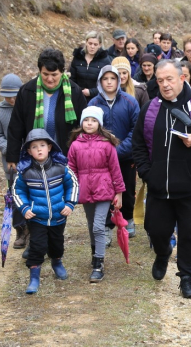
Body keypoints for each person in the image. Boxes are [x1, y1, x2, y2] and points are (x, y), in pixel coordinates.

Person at [132, 59, 191, 298]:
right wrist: (147, 173)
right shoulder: (150, 108)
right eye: (160, 80)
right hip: (159, 189)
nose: (164, 85)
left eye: (169, 79)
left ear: (182, 78)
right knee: (156, 230)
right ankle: (163, 253)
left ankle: (187, 277)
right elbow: (138, 144)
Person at [12, 129, 78, 294]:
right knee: (37, 246)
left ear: (49, 147)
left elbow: (73, 184)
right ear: (29, 151)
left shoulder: (61, 167)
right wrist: (25, 208)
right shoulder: (25, 172)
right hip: (37, 217)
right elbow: (17, 191)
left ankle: (57, 262)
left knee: (57, 244)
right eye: (34, 147)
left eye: (42, 145)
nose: (39, 149)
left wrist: (69, 204)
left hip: (58, 215)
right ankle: (34, 278)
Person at [68, 106, 125, 283]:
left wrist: (119, 193)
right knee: (91, 224)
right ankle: (95, 254)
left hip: (104, 190)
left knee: (99, 226)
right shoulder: (75, 145)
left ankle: (98, 264)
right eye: (86, 120)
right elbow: (71, 170)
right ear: (82, 123)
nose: (89, 123)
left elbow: (115, 169)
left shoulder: (107, 145)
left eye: (93, 120)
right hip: (85, 190)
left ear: (99, 123)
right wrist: (72, 191)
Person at [7, 48, 87, 168]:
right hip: (34, 158)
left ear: (62, 72)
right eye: (45, 74)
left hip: (65, 157)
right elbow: (16, 126)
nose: (50, 79)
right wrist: (12, 156)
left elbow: (83, 127)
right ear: (39, 71)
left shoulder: (74, 92)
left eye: (54, 75)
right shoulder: (27, 91)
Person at [88, 66, 140, 243]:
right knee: (105, 191)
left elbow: (136, 130)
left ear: (118, 80)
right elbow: (89, 129)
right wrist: (102, 152)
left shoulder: (130, 101)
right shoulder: (93, 104)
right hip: (101, 160)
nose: (109, 82)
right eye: (105, 79)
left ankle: (128, 218)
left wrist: (117, 151)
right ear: (100, 82)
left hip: (126, 157)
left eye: (113, 78)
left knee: (127, 188)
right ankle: (108, 226)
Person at [0, 74, 29, 249]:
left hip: (30, 159)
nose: (12, 99)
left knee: (32, 194)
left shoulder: (28, 106)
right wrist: (10, 149)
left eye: (15, 95)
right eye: (9, 96)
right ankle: (20, 230)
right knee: (15, 197)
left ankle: (33, 230)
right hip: (11, 163)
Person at [69, 31, 111, 102]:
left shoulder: (105, 60)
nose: (92, 47)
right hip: (77, 98)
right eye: (90, 43)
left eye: (95, 44)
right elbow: (72, 79)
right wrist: (78, 91)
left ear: (99, 45)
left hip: (97, 99)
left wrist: (91, 92)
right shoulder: (78, 57)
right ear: (86, 42)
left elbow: (107, 83)